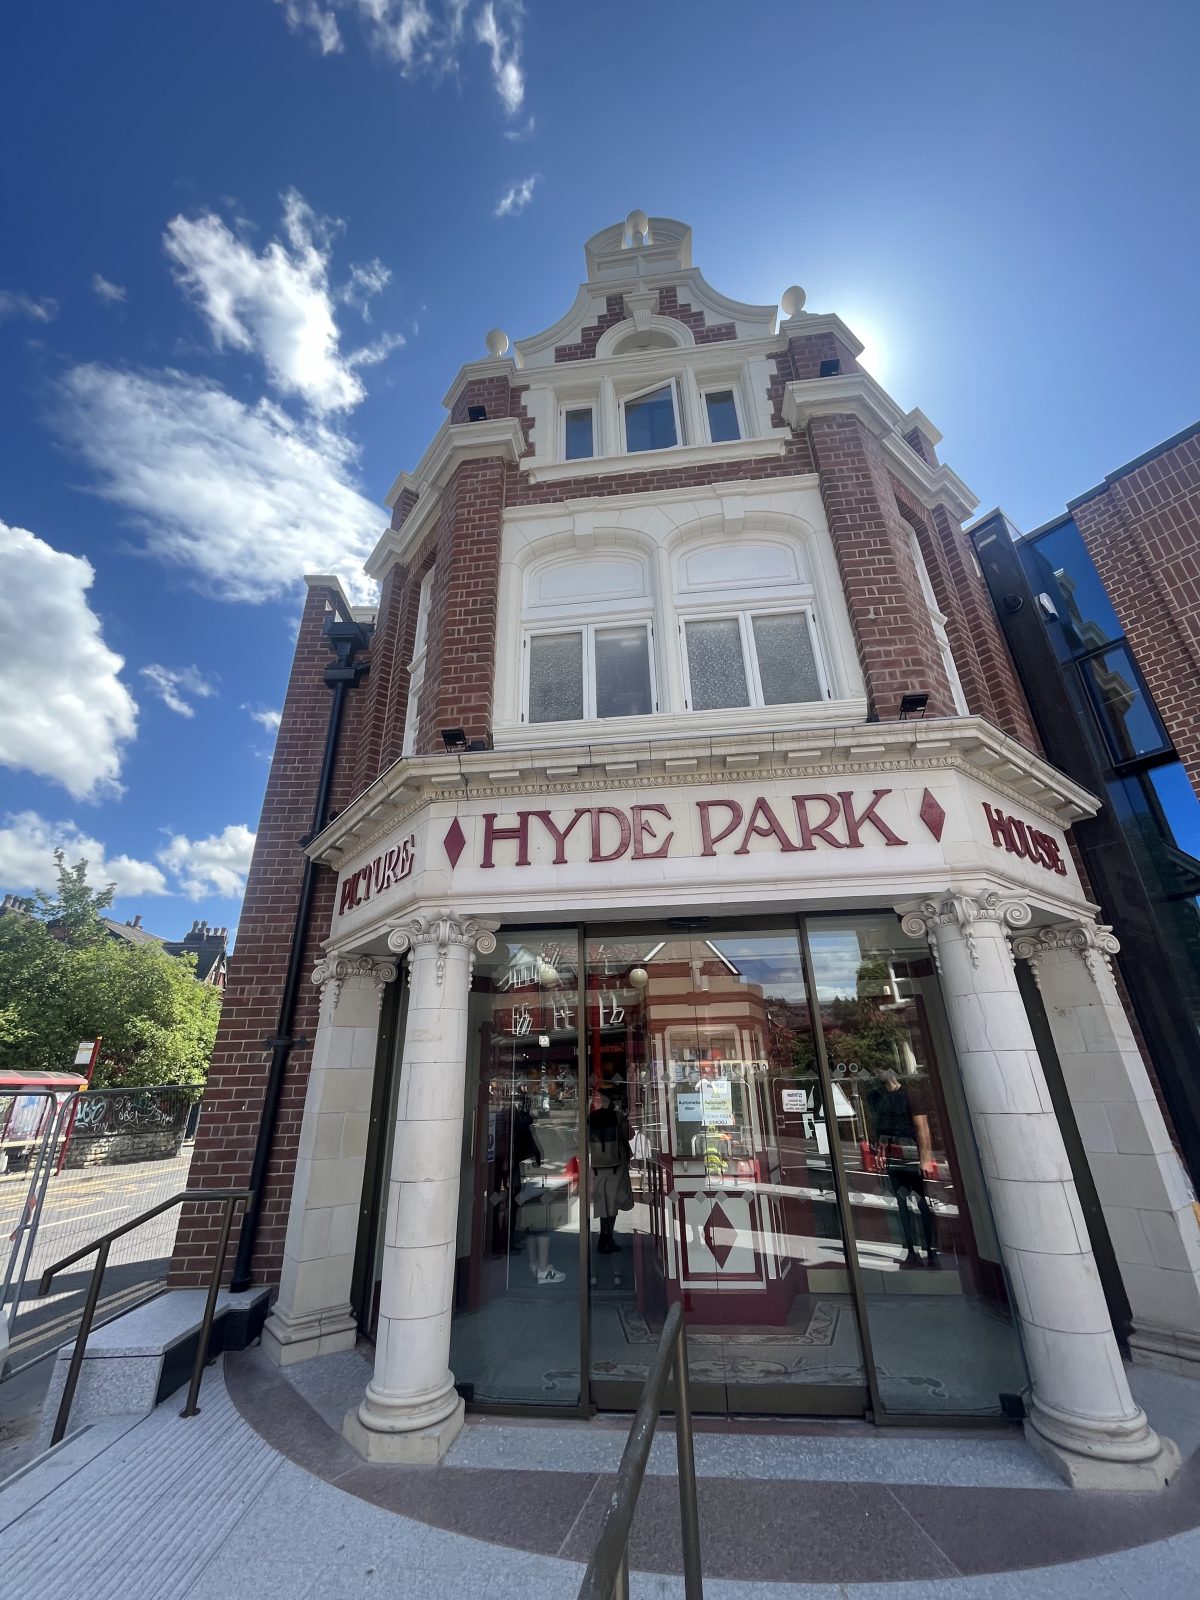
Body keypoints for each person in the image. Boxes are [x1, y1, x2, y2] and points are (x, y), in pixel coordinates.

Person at [866, 1068, 939, 1268]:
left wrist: (925, 1158)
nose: (877, 1073)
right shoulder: (880, 1098)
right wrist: (879, 1154)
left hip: (911, 1155)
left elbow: (922, 1127)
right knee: (901, 1203)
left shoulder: (910, 1095)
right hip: (893, 1157)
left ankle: (930, 1250)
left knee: (921, 1202)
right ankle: (911, 1251)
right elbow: (880, 1128)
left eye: (881, 1069)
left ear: (892, 1072)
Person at [588, 1090, 633, 1255]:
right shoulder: (617, 1116)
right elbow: (629, 1135)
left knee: (602, 1203)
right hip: (616, 1166)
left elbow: (580, 1138)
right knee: (613, 1202)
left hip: (597, 1166)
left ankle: (603, 1236)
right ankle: (608, 1237)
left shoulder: (591, 1117)